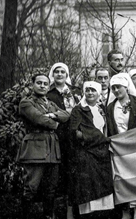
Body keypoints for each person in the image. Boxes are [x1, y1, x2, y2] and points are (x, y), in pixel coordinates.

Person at [17, 73, 71, 219]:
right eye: (39, 83)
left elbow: (66, 115)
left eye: (45, 84)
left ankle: (49, 216)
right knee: (31, 187)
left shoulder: (50, 103)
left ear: (49, 86)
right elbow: (40, 120)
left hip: (53, 150)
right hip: (34, 149)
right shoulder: (26, 102)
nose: (42, 86)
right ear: (32, 84)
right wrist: (54, 120)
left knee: (51, 188)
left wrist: (52, 115)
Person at [68, 81, 114, 216]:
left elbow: (107, 129)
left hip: (102, 154)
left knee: (103, 190)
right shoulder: (79, 109)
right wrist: (93, 137)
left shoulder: (102, 109)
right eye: (87, 90)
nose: (90, 93)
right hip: (87, 152)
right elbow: (74, 132)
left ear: (98, 93)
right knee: (88, 190)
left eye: (93, 90)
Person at [106, 73, 136, 219]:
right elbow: (111, 128)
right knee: (121, 179)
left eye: (119, 87)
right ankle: (125, 210)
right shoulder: (111, 107)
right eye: (114, 88)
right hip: (119, 148)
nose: (116, 91)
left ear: (126, 87)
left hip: (135, 146)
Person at [46, 62, 80, 219]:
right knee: (53, 177)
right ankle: (51, 212)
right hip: (55, 138)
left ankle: (69, 212)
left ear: (67, 75)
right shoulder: (48, 94)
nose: (59, 74)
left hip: (72, 139)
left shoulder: (74, 93)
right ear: (52, 74)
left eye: (62, 72)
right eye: (56, 72)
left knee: (71, 176)